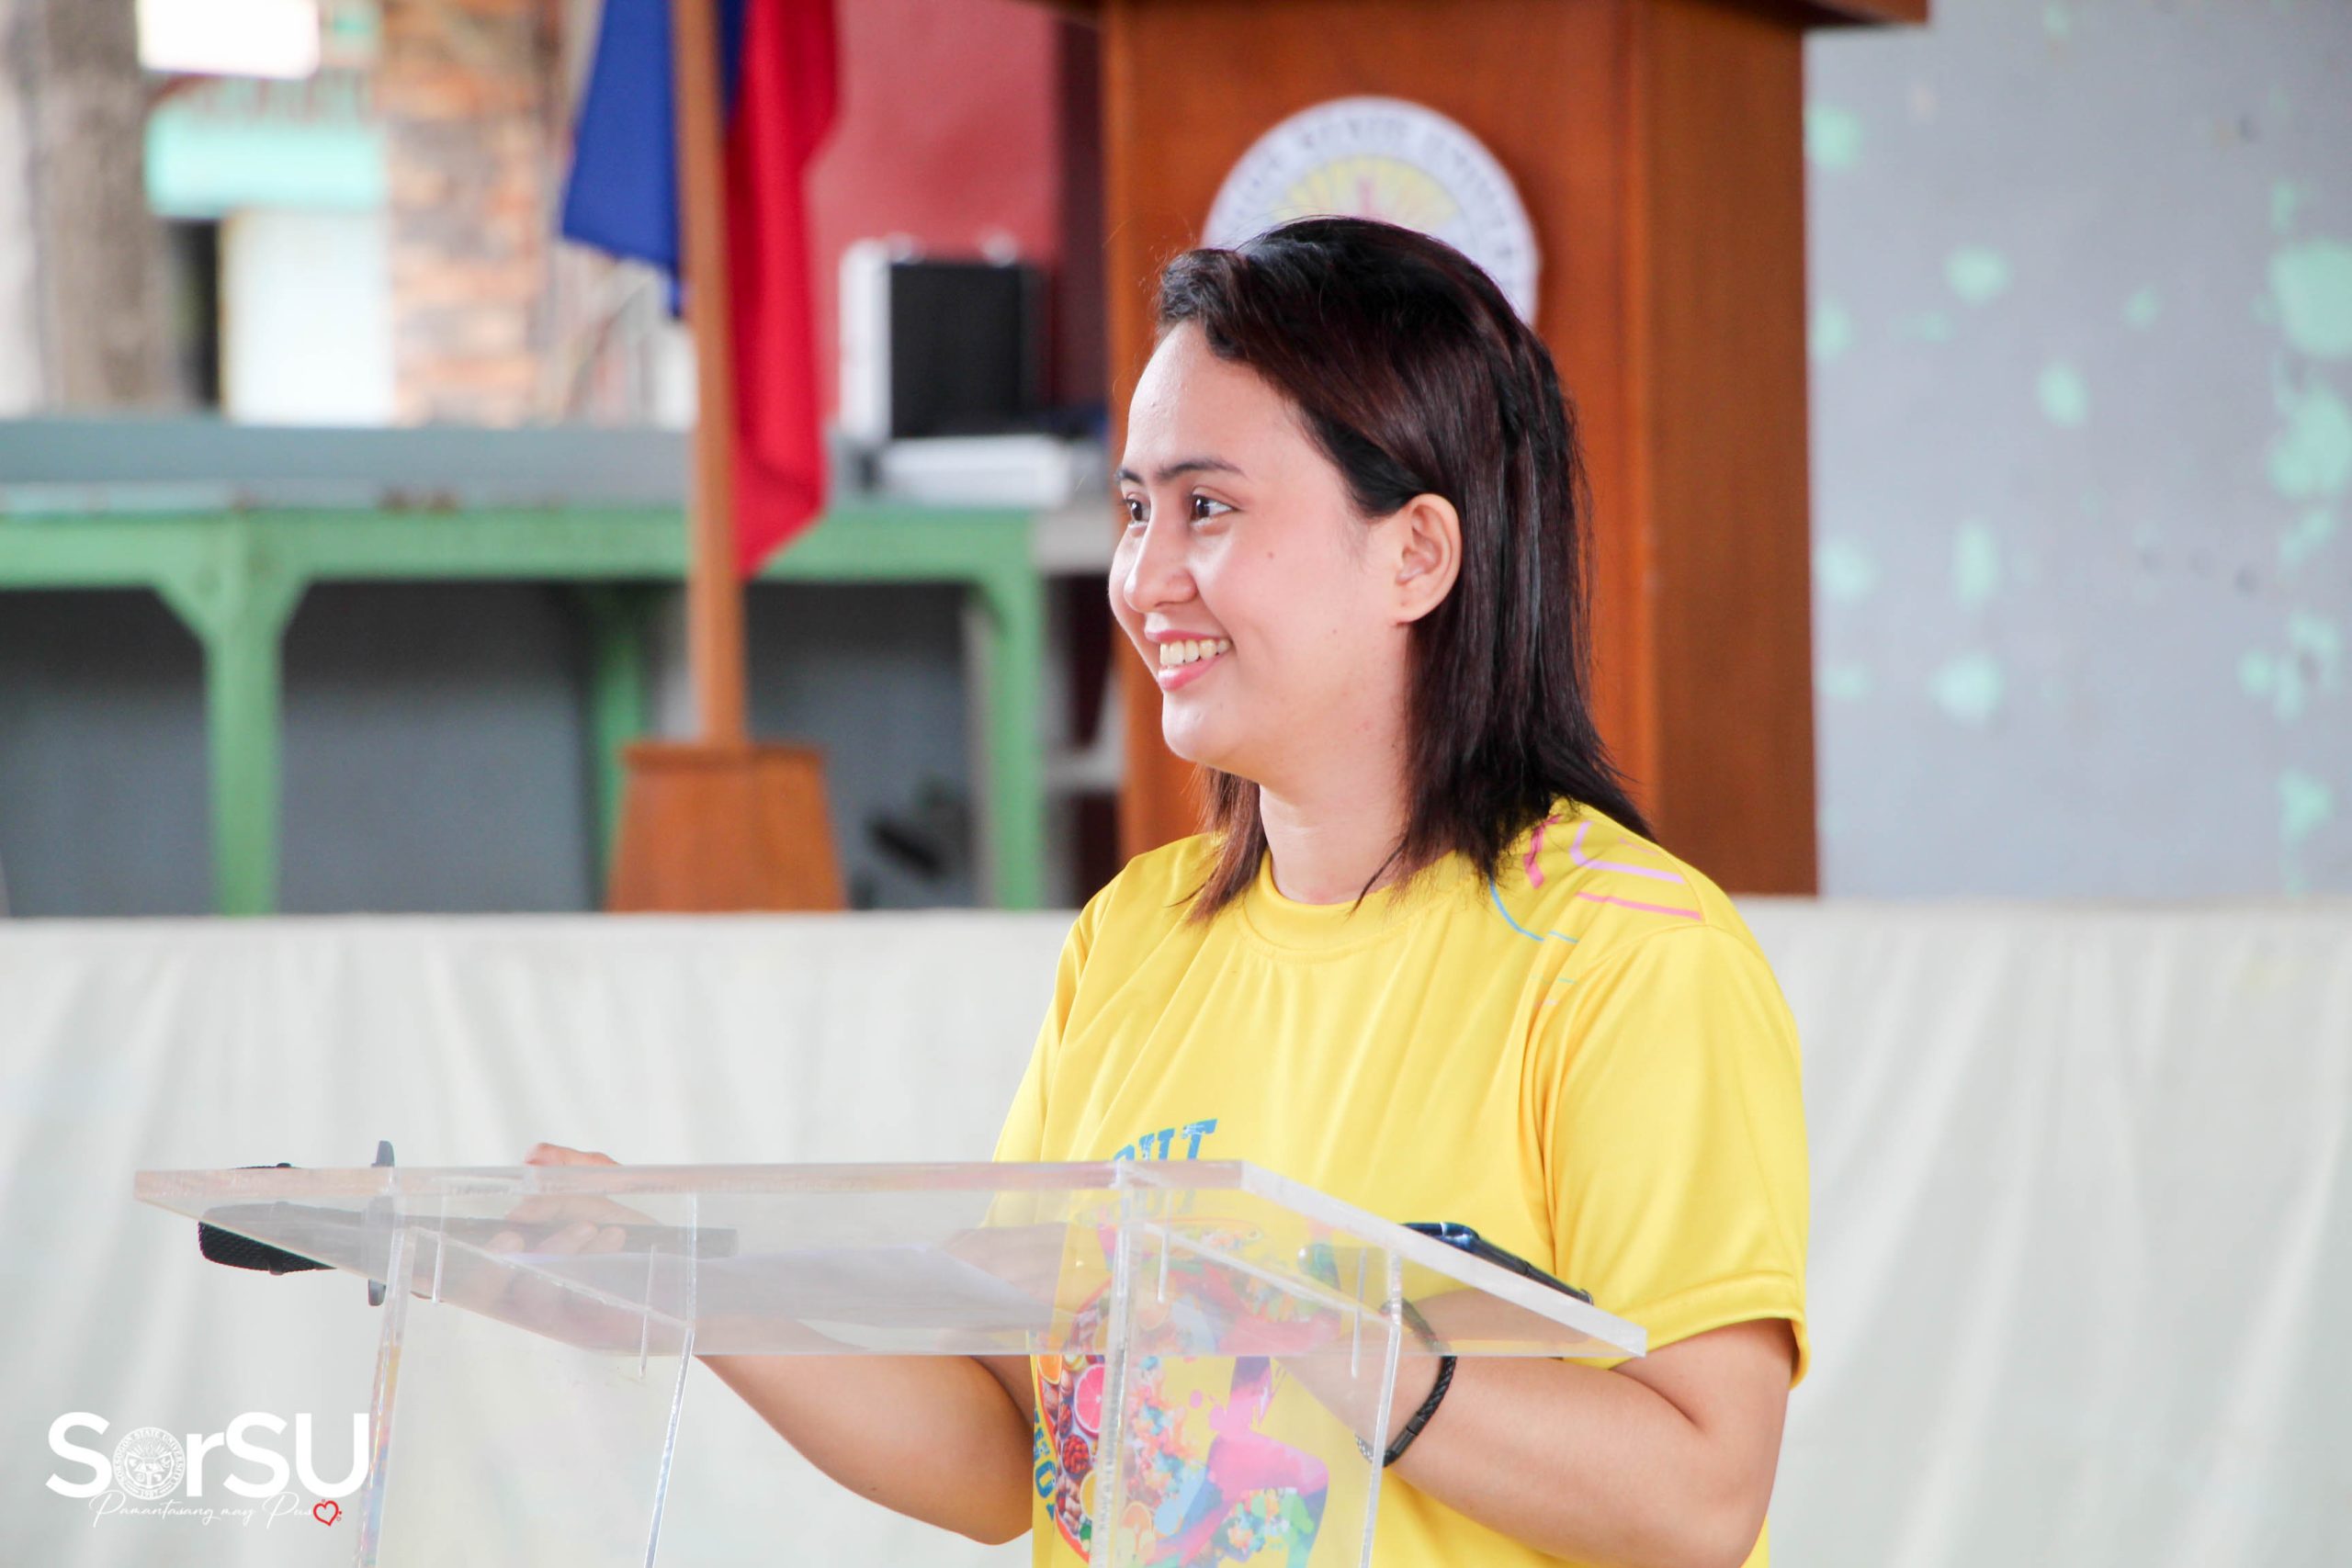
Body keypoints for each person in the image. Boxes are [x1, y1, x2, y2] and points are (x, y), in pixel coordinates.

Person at [533, 214, 1807, 1568]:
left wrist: (1306, 1324)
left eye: (1209, 507)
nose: (1143, 581)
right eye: (1136, 509)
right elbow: (1013, 1447)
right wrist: (696, 1283)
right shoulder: (1133, 934)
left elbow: (1700, 1499)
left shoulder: (1630, 955)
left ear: (1416, 556)